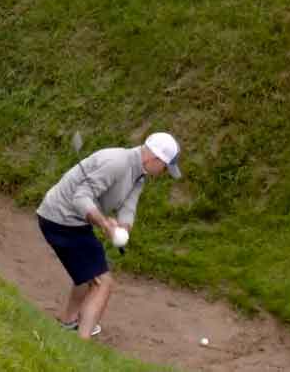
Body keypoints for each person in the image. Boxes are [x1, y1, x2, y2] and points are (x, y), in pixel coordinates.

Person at [36, 132, 182, 339]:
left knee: (88, 272)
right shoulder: (117, 162)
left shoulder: (139, 173)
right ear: (155, 159)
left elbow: (128, 207)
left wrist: (123, 229)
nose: (165, 172)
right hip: (61, 219)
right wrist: (104, 223)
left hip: (73, 221)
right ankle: (81, 343)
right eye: (166, 167)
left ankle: (68, 322)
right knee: (102, 282)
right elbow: (80, 198)